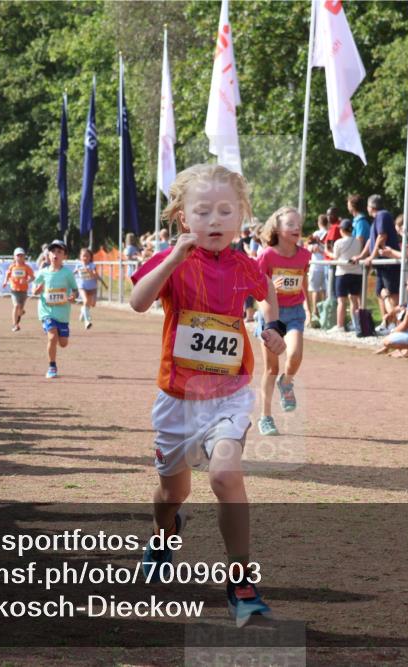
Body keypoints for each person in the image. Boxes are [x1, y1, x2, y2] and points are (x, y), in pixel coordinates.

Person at [129, 164, 285, 627]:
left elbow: (267, 294)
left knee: (224, 474)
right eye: (203, 211)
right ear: (183, 220)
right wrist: (172, 260)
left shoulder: (246, 267)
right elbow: (138, 302)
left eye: (225, 211)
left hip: (229, 395)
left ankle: (241, 581)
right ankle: (165, 533)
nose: (214, 220)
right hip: (177, 398)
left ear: (242, 218)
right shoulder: (171, 260)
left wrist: (271, 328)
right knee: (171, 492)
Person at [254, 206, 311, 437]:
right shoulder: (266, 256)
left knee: (295, 355)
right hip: (271, 316)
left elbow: (303, 279)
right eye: (290, 224)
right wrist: (269, 305)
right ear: (277, 228)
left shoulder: (304, 255)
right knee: (271, 368)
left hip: (295, 312)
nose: (297, 227)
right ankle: (265, 417)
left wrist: (309, 304)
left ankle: (286, 383)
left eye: (299, 223)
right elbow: (257, 290)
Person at [31, 240, 78, 379]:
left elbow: (75, 290)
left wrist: (73, 296)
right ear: (48, 255)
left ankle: (58, 337)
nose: (55, 254)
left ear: (65, 256)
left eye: (59, 252)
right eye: (53, 251)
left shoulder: (67, 274)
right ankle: (52, 366)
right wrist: (36, 289)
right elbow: (34, 288)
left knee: (63, 343)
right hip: (47, 311)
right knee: (52, 337)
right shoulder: (43, 272)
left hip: (62, 313)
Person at [354, 194, 401, 324]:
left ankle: (397, 323)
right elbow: (371, 240)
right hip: (381, 264)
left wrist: (372, 256)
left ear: (372, 206)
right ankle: (388, 321)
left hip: (388, 263)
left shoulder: (382, 215)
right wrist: (361, 256)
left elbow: (382, 236)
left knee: (392, 294)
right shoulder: (375, 220)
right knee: (381, 292)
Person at [330, 218, 363, 333]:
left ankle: (340, 325)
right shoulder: (358, 241)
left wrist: (325, 251)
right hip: (357, 273)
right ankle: (355, 324)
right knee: (354, 300)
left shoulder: (338, 242)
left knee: (341, 301)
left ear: (342, 230)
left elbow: (335, 257)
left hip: (342, 273)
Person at [2, 247, 35, 332]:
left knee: (20, 310)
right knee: (16, 306)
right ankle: (15, 325)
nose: (20, 257)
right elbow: (7, 274)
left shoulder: (27, 267)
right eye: (18, 255)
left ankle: (21, 312)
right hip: (14, 290)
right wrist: (5, 282)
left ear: (24, 257)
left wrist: (26, 281)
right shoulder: (12, 266)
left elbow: (32, 277)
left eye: (21, 255)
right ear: (14, 257)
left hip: (23, 291)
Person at [73, 247, 106, 329]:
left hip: (92, 287)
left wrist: (103, 283)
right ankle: (87, 322)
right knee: (86, 301)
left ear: (90, 257)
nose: (85, 258)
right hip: (82, 286)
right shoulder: (78, 265)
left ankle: (83, 311)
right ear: (80, 257)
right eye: (83, 256)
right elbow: (73, 273)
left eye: (87, 256)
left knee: (92, 304)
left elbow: (96, 275)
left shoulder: (92, 265)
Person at [306, 215, 329, 324]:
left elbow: (309, 249)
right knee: (324, 290)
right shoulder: (328, 233)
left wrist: (316, 248)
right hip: (326, 266)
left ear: (319, 223)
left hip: (316, 265)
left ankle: (315, 313)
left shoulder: (316, 234)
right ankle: (324, 313)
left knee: (315, 290)